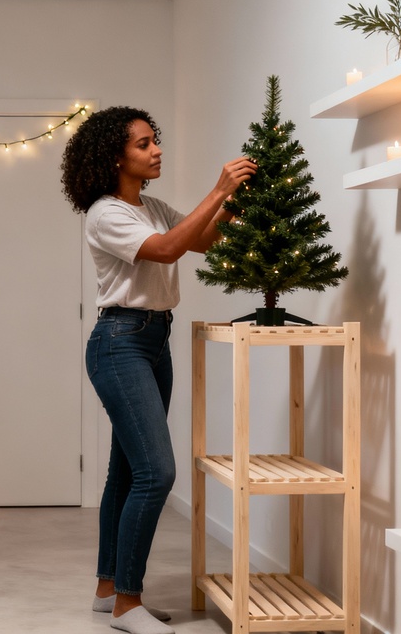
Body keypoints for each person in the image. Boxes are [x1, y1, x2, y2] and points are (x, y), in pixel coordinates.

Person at [61, 106, 256, 634]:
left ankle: (107, 590)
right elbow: (168, 251)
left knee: (126, 472)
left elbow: (198, 240)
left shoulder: (149, 206)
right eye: (145, 144)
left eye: (156, 141)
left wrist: (234, 205)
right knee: (157, 473)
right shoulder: (106, 213)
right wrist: (217, 189)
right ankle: (129, 605)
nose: (157, 150)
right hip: (120, 342)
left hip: (153, 340)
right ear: (114, 155)